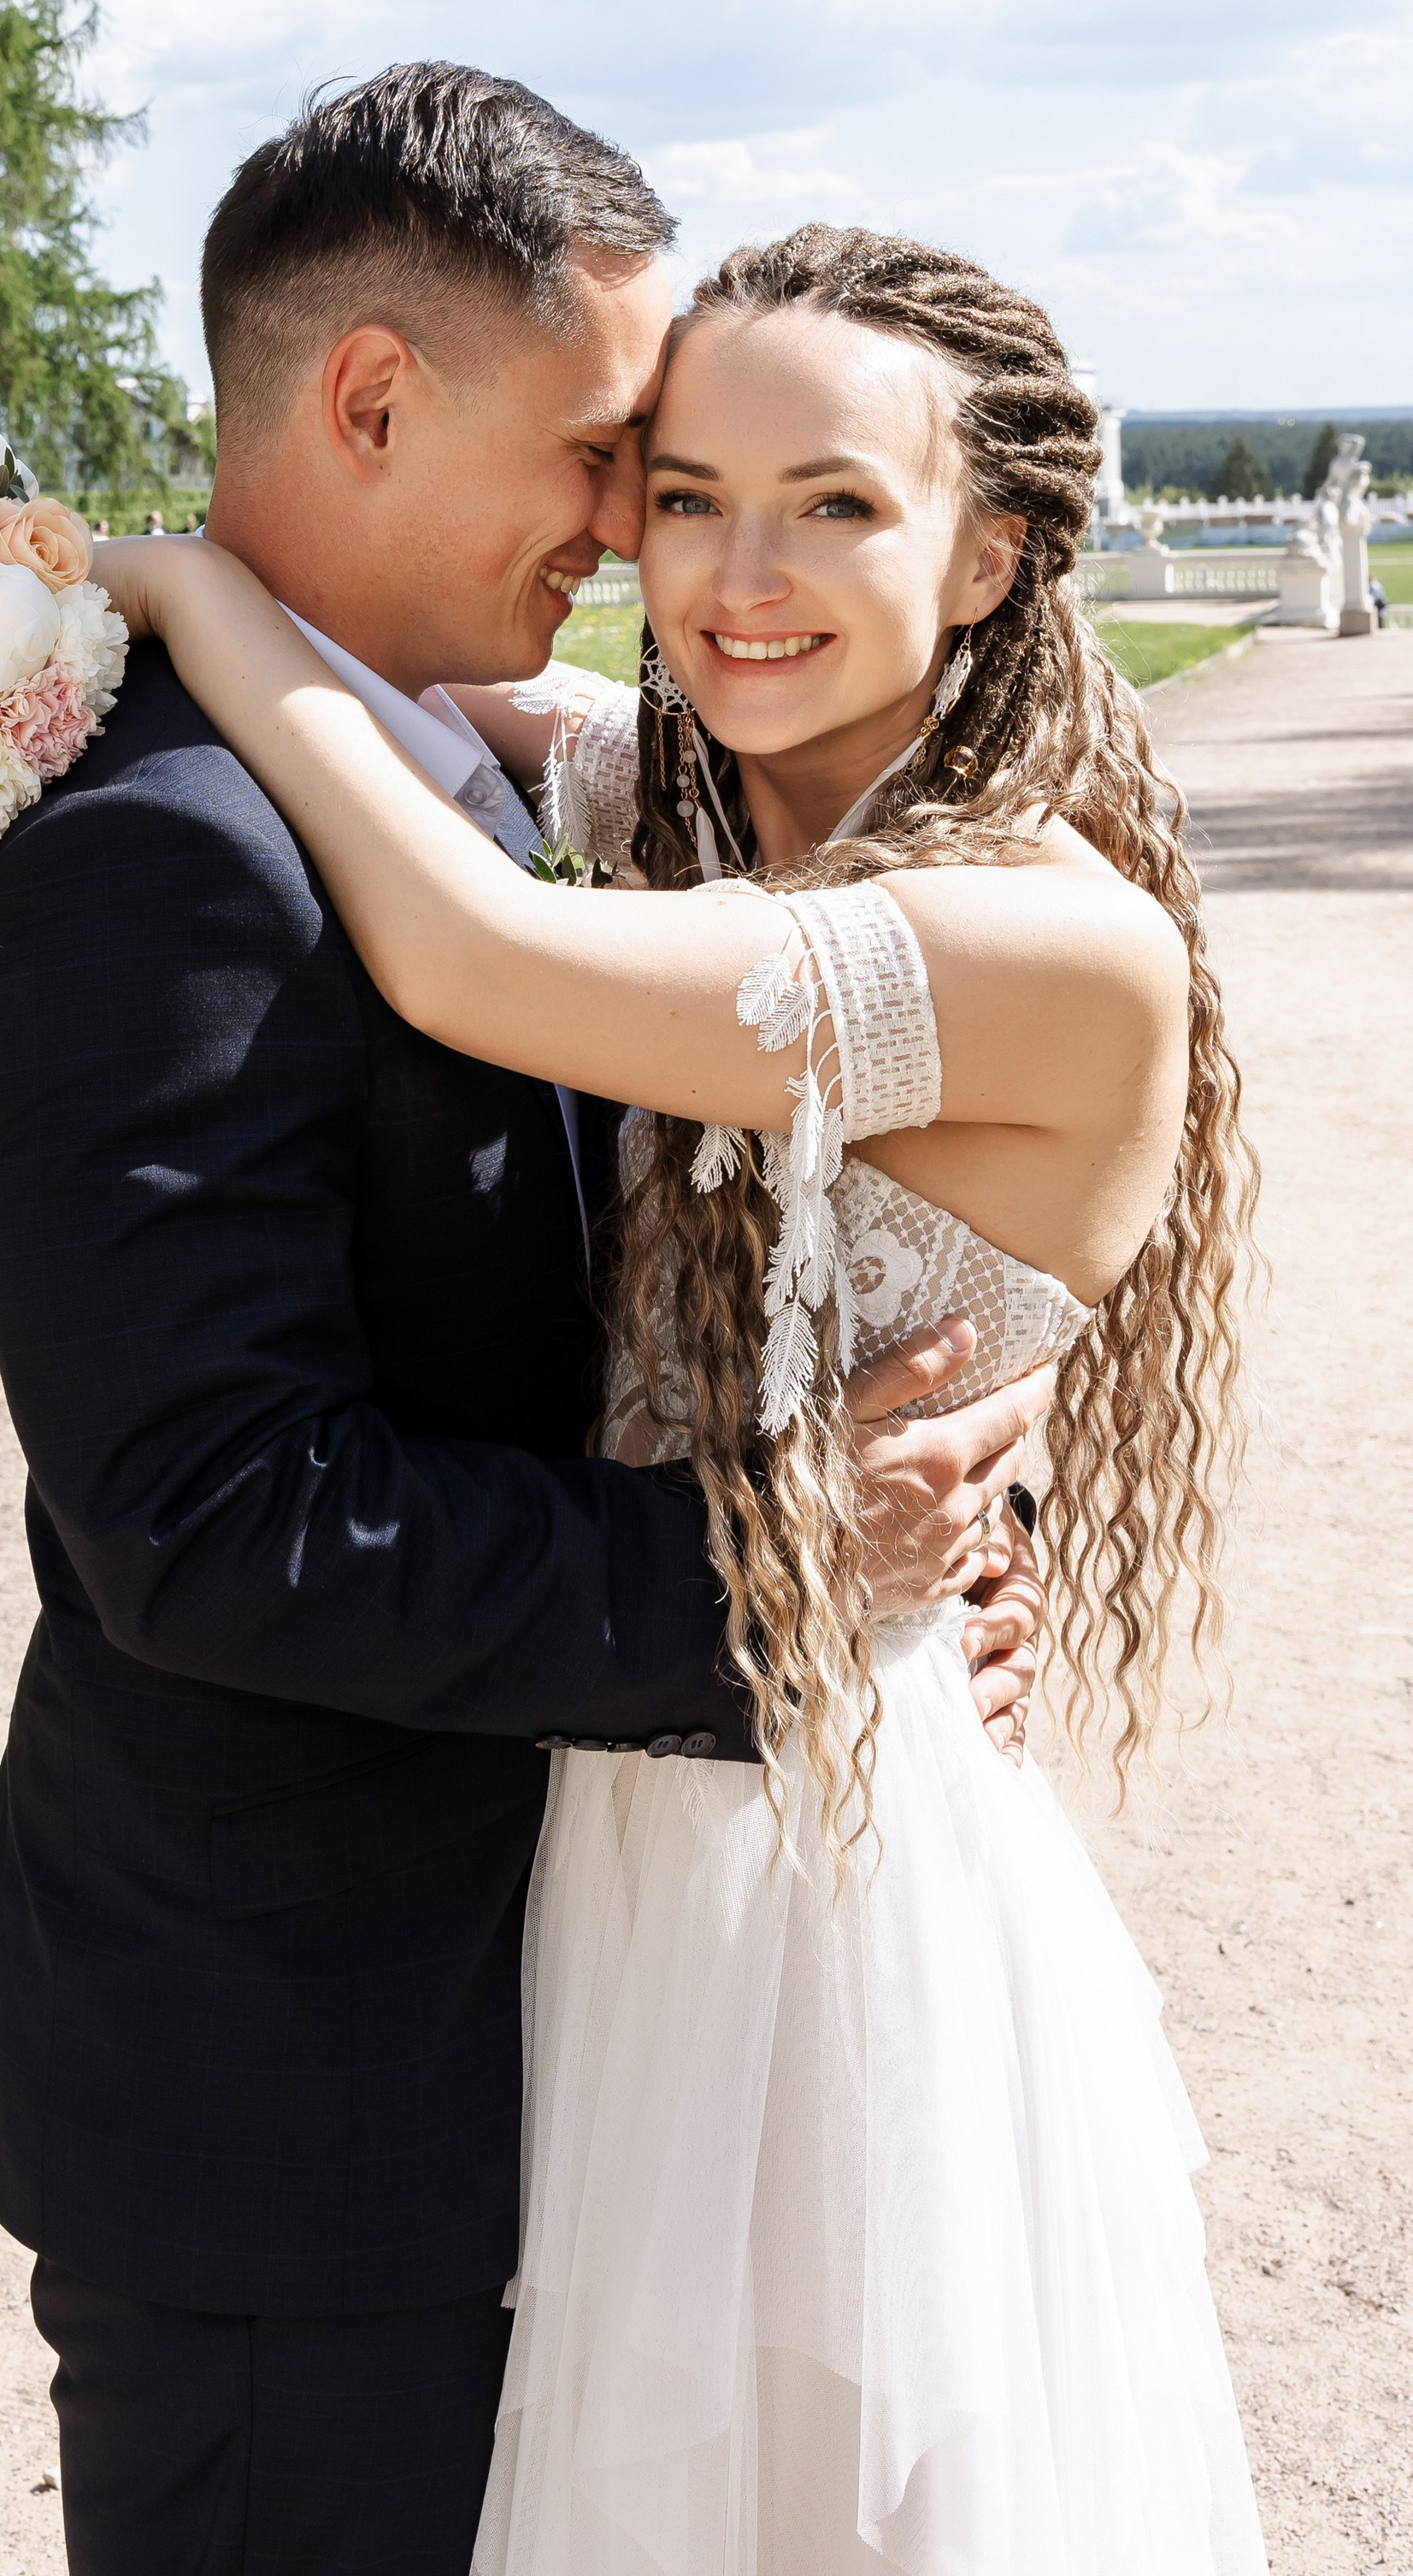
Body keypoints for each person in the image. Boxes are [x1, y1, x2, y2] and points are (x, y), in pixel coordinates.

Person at [0, 71, 1051, 2576]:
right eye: (606, 455)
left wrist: (938, 1518)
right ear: (365, 400)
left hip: (593, 2039)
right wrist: (781, 1587)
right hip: (303, 2134)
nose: (633, 531)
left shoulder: (492, 789)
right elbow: (220, 1528)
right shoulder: (161, 864)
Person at [97, 217, 1266, 2573]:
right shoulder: (703, 801)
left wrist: (178, 587)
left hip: (822, 1885)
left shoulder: (1041, 938)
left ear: (997, 544)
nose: (735, 572)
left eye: (836, 504)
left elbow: (464, 942)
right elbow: (454, 716)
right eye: (683, 488)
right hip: (629, 1825)